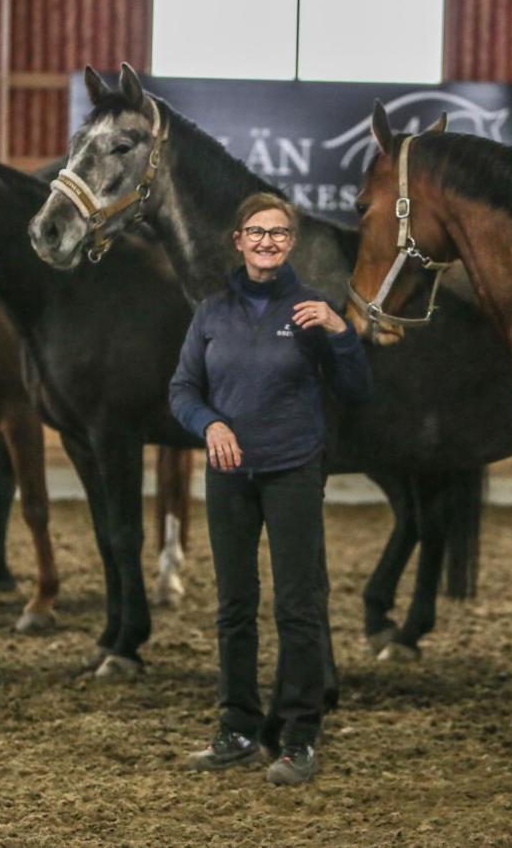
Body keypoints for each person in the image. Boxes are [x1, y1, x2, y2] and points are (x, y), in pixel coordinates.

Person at [169, 192, 371, 786]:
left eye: (279, 233)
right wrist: (211, 423)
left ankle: (299, 736)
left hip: (293, 471)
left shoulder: (312, 309)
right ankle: (236, 727)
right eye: (256, 232)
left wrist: (341, 332)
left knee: (298, 604)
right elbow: (183, 389)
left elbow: (356, 391)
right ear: (238, 239)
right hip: (229, 476)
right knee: (234, 605)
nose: (267, 242)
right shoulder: (210, 313)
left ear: (291, 243)